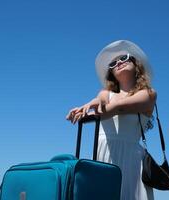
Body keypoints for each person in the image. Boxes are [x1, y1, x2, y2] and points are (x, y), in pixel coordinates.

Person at [66, 40, 156, 200]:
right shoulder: (105, 93)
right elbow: (100, 100)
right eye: (113, 63)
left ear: (136, 64)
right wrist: (90, 104)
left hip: (131, 161)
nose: (119, 63)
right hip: (103, 155)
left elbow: (119, 107)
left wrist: (96, 109)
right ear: (111, 73)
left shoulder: (148, 93)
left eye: (124, 58)